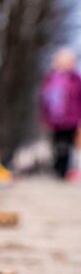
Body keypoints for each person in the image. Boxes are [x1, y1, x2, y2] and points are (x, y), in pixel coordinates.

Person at [40, 48, 81, 178]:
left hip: (71, 118)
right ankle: (57, 168)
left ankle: (63, 171)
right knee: (56, 144)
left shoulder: (76, 79)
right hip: (54, 118)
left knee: (66, 144)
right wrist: (44, 116)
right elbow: (43, 99)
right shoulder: (50, 78)